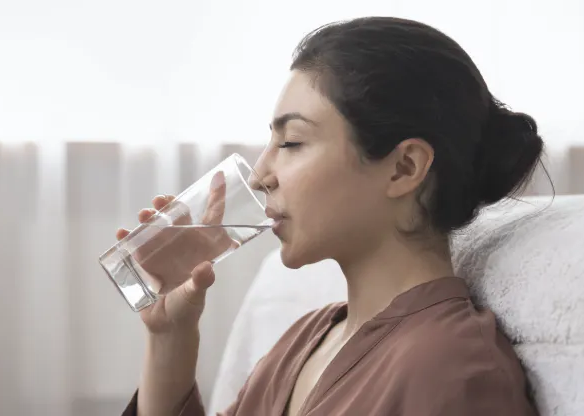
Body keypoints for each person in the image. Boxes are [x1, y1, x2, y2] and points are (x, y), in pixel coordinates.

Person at [118, 16, 541, 416]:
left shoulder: (453, 370)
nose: (262, 175)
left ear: (404, 168)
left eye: (293, 142)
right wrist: (169, 336)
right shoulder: (303, 341)